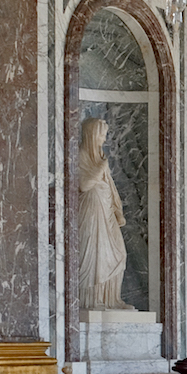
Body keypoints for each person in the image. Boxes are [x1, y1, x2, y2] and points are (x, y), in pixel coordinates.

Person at [77, 116, 128, 310]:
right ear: (91, 135)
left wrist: (116, 210)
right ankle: (92, 301)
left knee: (119, 253)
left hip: (106, 211)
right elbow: (84, 184)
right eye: (101, 135)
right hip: (91, 212)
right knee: (96, 255)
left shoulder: (100, 156)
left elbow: (110, 186)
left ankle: (112, 299)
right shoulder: (82, 155)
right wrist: (101, 167)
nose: (104, 140)